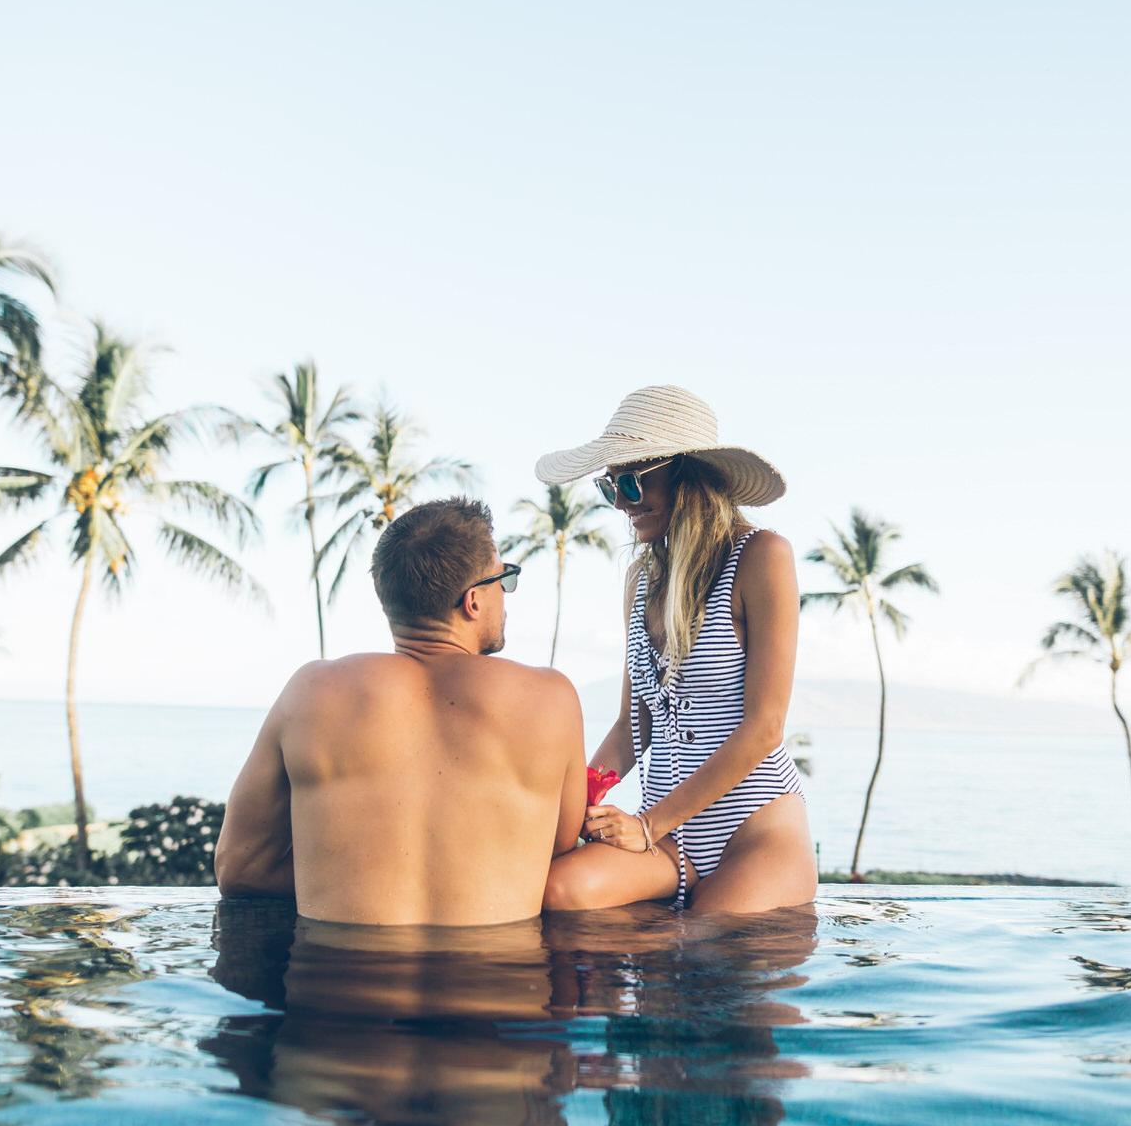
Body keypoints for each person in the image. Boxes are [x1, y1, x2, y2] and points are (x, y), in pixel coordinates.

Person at [215, 497, 588, 925]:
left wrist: (346, 875)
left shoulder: (311, 692)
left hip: (335, 987)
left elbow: (240, 869)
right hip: (497, 982)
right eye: (502, 580)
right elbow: (556, 851)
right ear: (473, 601)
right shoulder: (550, 698)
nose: (505, 595)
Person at [539, 385, 817, 915]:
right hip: (666, 839)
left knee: (705, 948)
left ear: (687, 475)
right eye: (609, 487)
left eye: (629, 483)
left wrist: (647, 825)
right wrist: (572, 801)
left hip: (754, 835)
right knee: (560, 894)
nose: (620, 503)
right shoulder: (642, 580)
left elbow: (765, 727)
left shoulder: (761, 556)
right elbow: (631, 727)